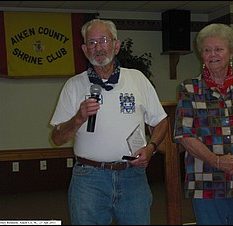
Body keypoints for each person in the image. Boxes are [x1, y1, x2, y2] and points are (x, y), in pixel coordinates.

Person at [50, 18, 168, 225]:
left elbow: (161, 122)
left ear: (116, 45)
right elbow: (57, 138)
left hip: (133, 177)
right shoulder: (73, 85)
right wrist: (78, 119)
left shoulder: (137, 79)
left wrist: (150, 148)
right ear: (85, 50)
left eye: (104, 40)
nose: (98, 47)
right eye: (92, 43)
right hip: (89, 179)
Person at [173, 23, 233, 225]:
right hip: (205, 181)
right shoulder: (190, 88)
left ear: (231, 52)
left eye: (218, 49)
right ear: (201, 55)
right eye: (207, 50)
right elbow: (185, 135)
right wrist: (216, 161)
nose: (212, 54)